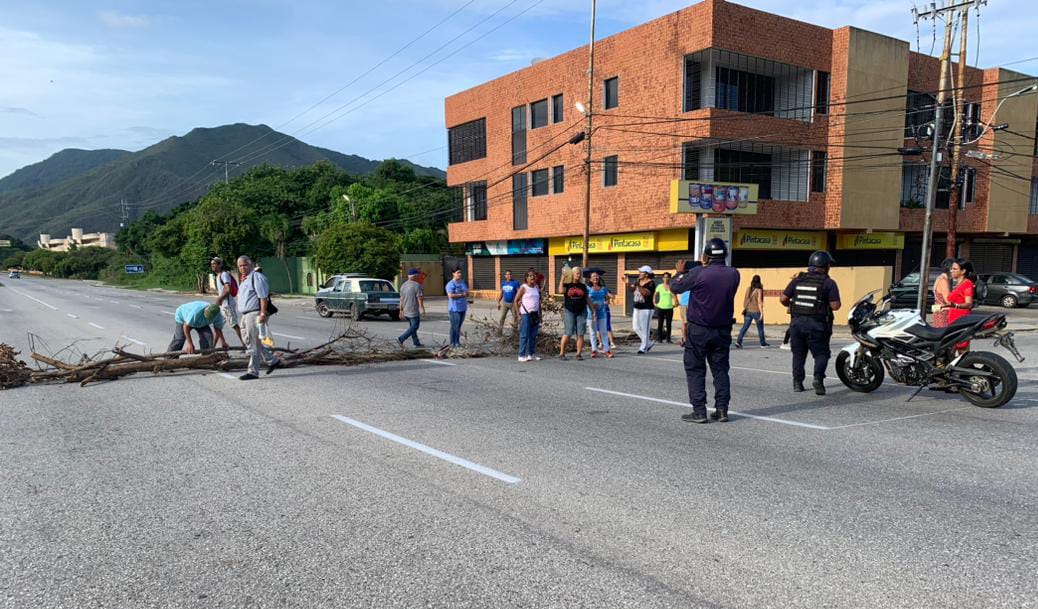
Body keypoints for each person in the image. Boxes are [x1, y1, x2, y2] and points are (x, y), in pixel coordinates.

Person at [670, 239, 740, 423]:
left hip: (699, 330)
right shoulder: (734, 274)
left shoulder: (699, 272)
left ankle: (699, 411)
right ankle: (722, 410)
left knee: (695, 369)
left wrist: (679, 272)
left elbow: (675, 286)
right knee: (720, 370)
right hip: (722, 330)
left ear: (705, 256)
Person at [780, 251, 842, 395]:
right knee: (821, 354)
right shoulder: (828, 282)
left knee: (798, 354)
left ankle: (797, 383)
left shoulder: (797, 280)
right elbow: (836, 306)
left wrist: (794, 305)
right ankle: (818, 379)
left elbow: (783, 299)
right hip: (817, 325)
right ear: (826, 266)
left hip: (796, 324)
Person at [235, 255, 281, 380]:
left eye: (245, 265)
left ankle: (253, 371)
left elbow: (263, 297)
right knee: (250, 341)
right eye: (240, 266)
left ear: (251, 265)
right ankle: (272, 360)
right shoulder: (245, 279)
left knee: (253, 343)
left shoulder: (257, 277)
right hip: (245, 315)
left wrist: (262, 313)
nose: (243, 267)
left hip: (254, 313)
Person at [943, 258, 977, 352]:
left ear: (963, 271)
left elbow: (968, 303)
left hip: (961, 321)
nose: (951, 271)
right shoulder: (958, 283)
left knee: (962, 350)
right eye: (951, 268)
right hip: (953, 321)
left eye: (954, 269)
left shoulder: (967, 284)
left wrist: (956, 305)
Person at [559, 267, 592, 360]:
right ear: (572, 274)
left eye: (579, 273)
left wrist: (592, 310)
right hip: (569, 311)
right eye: (577, 273)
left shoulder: (583, 286)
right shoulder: (567, 284)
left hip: (581, 311)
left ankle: (578, 354)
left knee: (580, 333)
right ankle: (562, 353)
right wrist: (562, 279)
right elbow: (561, 291)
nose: (578, 275)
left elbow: (587, 298)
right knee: (568, 332)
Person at [211, 257, 244, 347]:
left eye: (214, 264)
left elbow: (228, 289)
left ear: (220, 265)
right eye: (212, 264)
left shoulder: (224, 274)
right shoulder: (218, 276)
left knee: (234, 325)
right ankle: (212, 348)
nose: (212, 266)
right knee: (217, 326)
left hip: (227, 305)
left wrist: (220, 298)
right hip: (223, 306)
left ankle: (246, 345)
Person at [514, 270, 542, 362]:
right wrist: (518, 315)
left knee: (533, 335)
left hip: (535, 315)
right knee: (524, 335)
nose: (532, 277)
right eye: (530, 276)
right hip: (526, 315)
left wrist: (540, 315)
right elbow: (516, 300)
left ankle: (531, 354)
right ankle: (521, 355)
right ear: (526, 278)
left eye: (534, 275)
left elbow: (539, 302)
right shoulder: (524, 287)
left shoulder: (537, 287)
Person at [736, 275, 770, 348]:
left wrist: (746, 307)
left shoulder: (748, 289)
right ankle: (762, 343)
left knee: (745, 327)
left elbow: (745, 299)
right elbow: (759, 302)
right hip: (756, 311)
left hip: (748, 311)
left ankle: (739, 341)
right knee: (760, 328)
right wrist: (761, 313)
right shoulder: (759, 290)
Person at [630, 266, 656, 354]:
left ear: (646, 274)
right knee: (635, 327)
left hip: (646, 308)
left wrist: (638, 285)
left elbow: (645, 293)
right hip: (637, 306)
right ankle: (648, 343)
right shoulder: (637, 281)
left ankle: (643, 347)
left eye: (641, 272)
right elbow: (631, 290)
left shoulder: (651, 283)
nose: (639, 273)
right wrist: (627, 284)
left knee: (645, 329)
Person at [587, 271, 614, 358]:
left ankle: (606, 350)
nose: (596, 278)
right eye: (594, 276)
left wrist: (611, 296)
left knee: (604, 332)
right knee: (593, 332)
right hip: (591, 313)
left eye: (597, 276)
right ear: (590, 279)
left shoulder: (603, 288)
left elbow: (609, 296)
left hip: (602, 312)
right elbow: (585, 299)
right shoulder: (587, 289)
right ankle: (594, 350)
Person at [397, 268, 426, 348]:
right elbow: (419, 298)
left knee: (412, 327)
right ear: (414, 276)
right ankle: (401, 338)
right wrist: (422, 309)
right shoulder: (417, 285)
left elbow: (401, 299)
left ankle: (416, 343)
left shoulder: (403, 285)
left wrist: (401, 310)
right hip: (413, 310)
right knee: (415, 326)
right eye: (417, 275)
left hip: (406, 310)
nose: (418, 276)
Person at [445, 268, 469, 348]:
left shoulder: (462, 282)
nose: (460, 274)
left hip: (463, 308)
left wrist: (465, 294)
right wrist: (462, 295)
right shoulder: (450, 284)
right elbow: (450, 296)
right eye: (458, 272)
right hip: (454, 309)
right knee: (454, 326)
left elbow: (466, 292)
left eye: (460, 272)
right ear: (453, 273)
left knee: (459, 326)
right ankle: (452, 343)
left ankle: (457, 342)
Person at [931, 258, 956, 328]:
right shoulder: (943, 281)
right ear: (950, 269)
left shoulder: (939, 278)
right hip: (943, 314)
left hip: (938, 311)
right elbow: (947, 300)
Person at [495, 270, 521, 334]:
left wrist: (519, 301)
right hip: (505, 303)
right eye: (507, 274)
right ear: (505, 276)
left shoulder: (515, 283)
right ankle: (500, 331)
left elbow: (519, 293)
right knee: (502, 317)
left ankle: (514, 332)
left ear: (512, 275)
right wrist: (498, 302)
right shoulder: (503, 283)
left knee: (515, 317)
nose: (509, 276)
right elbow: (501, 293)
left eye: (510, 274)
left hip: (513, 304)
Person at [654, 272, 675, 343]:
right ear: (663, 278)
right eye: (664, 277)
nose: (666, 278)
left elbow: (674, 296)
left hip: (669, 307)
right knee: (660, 323)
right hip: (661, 307)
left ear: (669, 278)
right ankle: (659, 339)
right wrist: (654, 302)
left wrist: (676, 302)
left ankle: (668, 339)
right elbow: (655, 294)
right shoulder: (659, 286)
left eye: (667, 277)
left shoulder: (671, 286)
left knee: (669, 324)